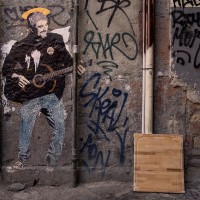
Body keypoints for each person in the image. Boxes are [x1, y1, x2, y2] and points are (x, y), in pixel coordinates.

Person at [2, 8, 85, 172]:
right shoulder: (21, 46)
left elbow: (68, 63)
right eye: (40, 27)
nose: (45, 29)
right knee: (26, 128)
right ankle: (22, 161)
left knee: (60, 127)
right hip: (30, 95)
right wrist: (17, 77)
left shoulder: (56, 40)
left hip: (51, 95)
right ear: (30, 29)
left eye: (46, 25)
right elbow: (6, 69)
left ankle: (52, 164)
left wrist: (77, 67)